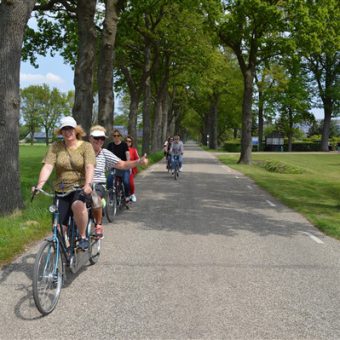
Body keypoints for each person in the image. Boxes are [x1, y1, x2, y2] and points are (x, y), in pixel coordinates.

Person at [33, 116, 95, 251]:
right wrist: (40, 185)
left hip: (80, 187)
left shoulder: (86, 146)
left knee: (78, 205)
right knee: (59, 227)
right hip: (61, 189)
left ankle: (83, 236)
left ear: (76, 130)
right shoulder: (55, 147)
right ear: (61, 132)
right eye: (64, 129)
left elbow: (89, 166)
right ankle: (66, 254)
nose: (68, 132)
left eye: (70, 128)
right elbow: (48, 166)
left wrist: (88, 184)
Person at [89, 126, 148, 238]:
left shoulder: (106, 152)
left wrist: (138, 161)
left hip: (98, 184)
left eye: (102, 139)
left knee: (126, 181)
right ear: (90, 138)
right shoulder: (83, 151)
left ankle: (125, 197)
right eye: (96, 138)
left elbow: (123, 163)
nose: (99, 141)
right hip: (84, 185)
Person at [106, 129, 131, 201]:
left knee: (126, 182)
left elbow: (127, 154)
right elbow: (107, 156)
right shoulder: (110, 145)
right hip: (114, 166)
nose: (116, 137)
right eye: (114, 136)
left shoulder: (124, 144)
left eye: (118, 135)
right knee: (109, 180)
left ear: (120, 136)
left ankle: (127, 195)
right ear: (112, 137)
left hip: (124, 166)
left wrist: (128, 163)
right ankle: (111, 196)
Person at [126, 135, 139, 203]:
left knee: (130, 183)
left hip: (130, 169)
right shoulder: (121, 149)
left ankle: (132, 194)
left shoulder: (133, 150)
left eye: (129, 141)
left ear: (131, 143)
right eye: (126, 141)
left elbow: (138, 159)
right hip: (121, 168)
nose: (128, 142)